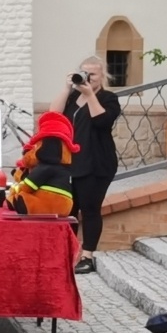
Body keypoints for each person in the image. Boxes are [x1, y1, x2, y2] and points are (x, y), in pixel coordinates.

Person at [49, 56, 121, 274]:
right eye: (84, 73)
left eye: (93, 74)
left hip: (98, 162)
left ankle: (88, 255)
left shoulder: (108, 98)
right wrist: (66, 88)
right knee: (68, 209)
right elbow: (53, 115)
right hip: (71, 161)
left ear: (102, 76)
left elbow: (102, 121)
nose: (88, 78)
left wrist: (90, 95)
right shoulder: (72, 97)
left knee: (90, 209)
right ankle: (68, 252)